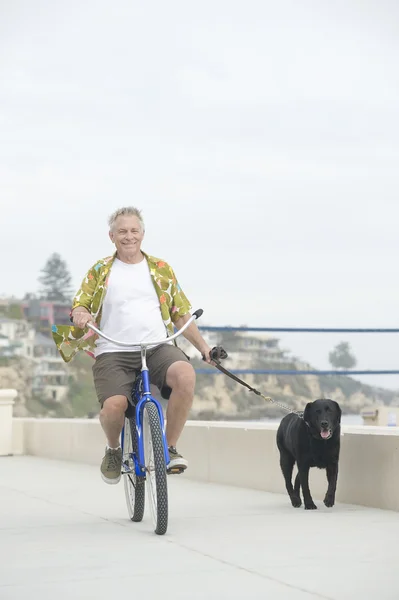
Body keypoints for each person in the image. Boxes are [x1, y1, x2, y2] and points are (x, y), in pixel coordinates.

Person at [52, 206, 213, 484]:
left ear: (143, 234)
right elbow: (81, 303)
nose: (129, 236)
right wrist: (81, 313)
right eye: (122, 231)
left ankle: (169, 448)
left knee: (185, 376)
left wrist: (204, 348)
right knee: (114, 406)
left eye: (134, 231)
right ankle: (114, 449)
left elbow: (180, 312)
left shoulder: (161, 269)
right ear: (111, 236)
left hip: (158, 346)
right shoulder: (101, 270)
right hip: (113, 350)